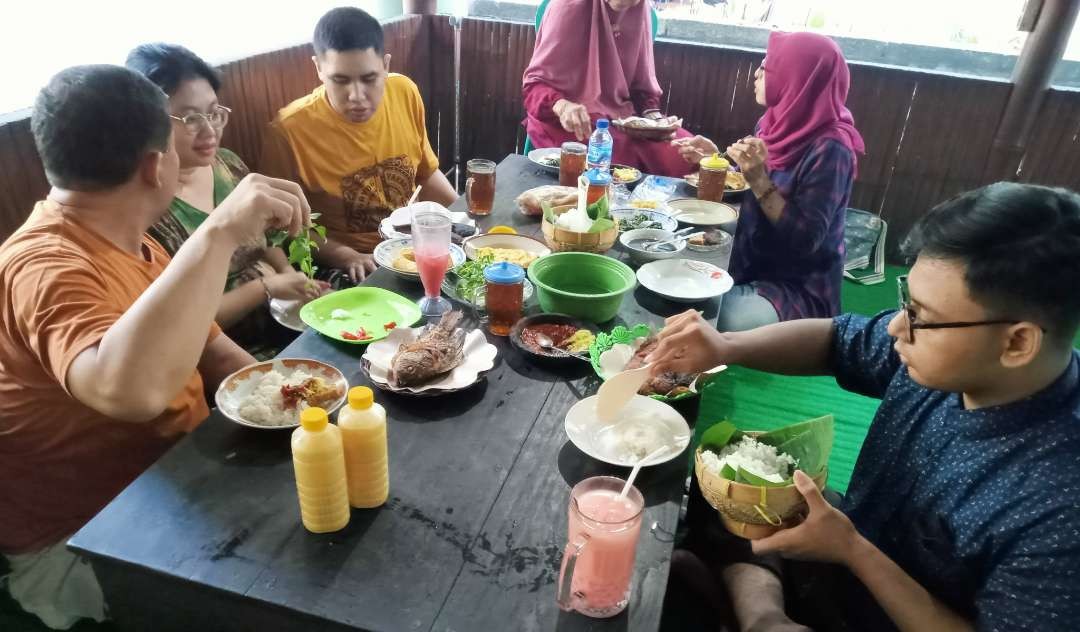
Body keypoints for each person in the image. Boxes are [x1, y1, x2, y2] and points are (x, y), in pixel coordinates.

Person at [650, 183, 1080, 631]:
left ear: (1017, 342)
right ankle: (762, 615)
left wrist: (854, 551)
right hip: (848, 545)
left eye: (921, 316)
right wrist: (726, 346)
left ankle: (737, 602)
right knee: (716, 477)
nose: (896, 327)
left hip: (883, 601)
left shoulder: (1061, 508)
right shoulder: (956, 355)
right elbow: (839, 340)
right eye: (905, 303)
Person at [0, 65, 309, 629]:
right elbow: (130, 392)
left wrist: (307, 407)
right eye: (177, 141)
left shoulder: (136, 242)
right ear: (154, 165)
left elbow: (216, 354)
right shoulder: (42, 265)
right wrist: (220, 231)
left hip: (178, 481)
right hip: (89, 540)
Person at [126, 43, 320, 359]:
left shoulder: (227, 164)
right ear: (149, 124)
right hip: (228, 346)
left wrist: (290, 277)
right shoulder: (150, 210)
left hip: (279, 314)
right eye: (189, 119)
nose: (209, 131)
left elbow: (267, 235)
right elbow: (180, 324)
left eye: (214, 113)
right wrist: (265, 288)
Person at [673, 31, 865, 331]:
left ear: (797, 78)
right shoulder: (775, 121)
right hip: (750, 261)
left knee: (702, 316)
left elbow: (807, 240)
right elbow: (754, 181)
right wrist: (716, 159)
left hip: (796, 288)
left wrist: (759, 179)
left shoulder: (832, 149)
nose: (756, 74)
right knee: (674, 291)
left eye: (767, 67)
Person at [260, 6, 457, 286]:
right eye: (340, 80)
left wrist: (461, 216)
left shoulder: (404, 92)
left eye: (369, 79)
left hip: (411, 242)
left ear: (386, 65)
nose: (357, 96)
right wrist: (345, 255)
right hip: (349, 264)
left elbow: (426, 173)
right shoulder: (288, 131)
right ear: (318, 68)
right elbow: (283, 229)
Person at [521, 0, 694, 177]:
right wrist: (563, 106)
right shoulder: (570, 6)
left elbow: (641, 86)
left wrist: (654, 120)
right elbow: (533, 86)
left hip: (624, 119)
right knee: (612, 162)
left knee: (686, 153)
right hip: (569, 122)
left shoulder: (640, 9)